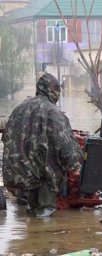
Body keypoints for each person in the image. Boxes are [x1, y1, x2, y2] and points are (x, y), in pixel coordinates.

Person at [2, 73, 83, 217]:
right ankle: (45, 237)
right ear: (53, 90)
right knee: (45, 213)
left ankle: (33, 237)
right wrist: (75, 167)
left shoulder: (19, 109)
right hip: (43, 176)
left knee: (32, 210)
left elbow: (7, 136)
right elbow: (64, 144)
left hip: (18, 173)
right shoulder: (53, 112)